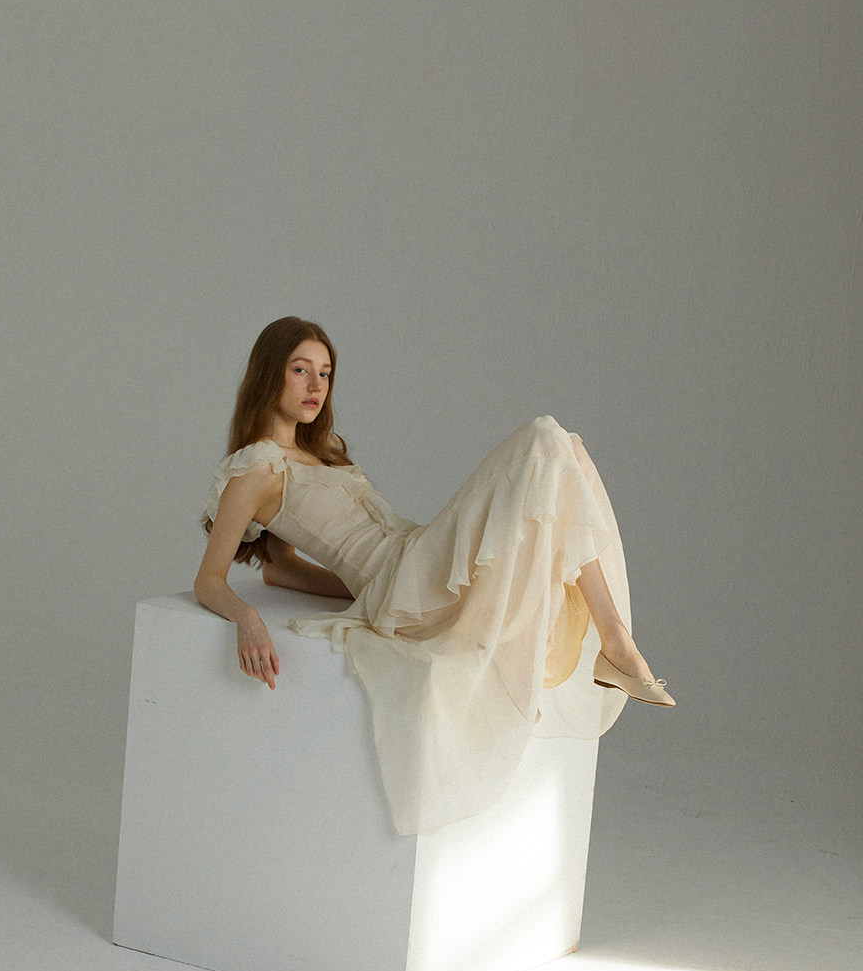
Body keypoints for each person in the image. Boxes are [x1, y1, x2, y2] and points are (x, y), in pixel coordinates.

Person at [196, 317, 674, 835]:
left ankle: (614, 641)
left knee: (566, 451)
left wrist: (360, 589)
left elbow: (278, 570)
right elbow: (210, 580)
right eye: (300, 370)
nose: (316, 385)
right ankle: (616, 642)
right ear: (270, 373)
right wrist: (247, 618)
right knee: (545, 438)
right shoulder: (254, 471)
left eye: (326, 373)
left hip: (412, 562)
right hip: (405, 574)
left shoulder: (317, 452)